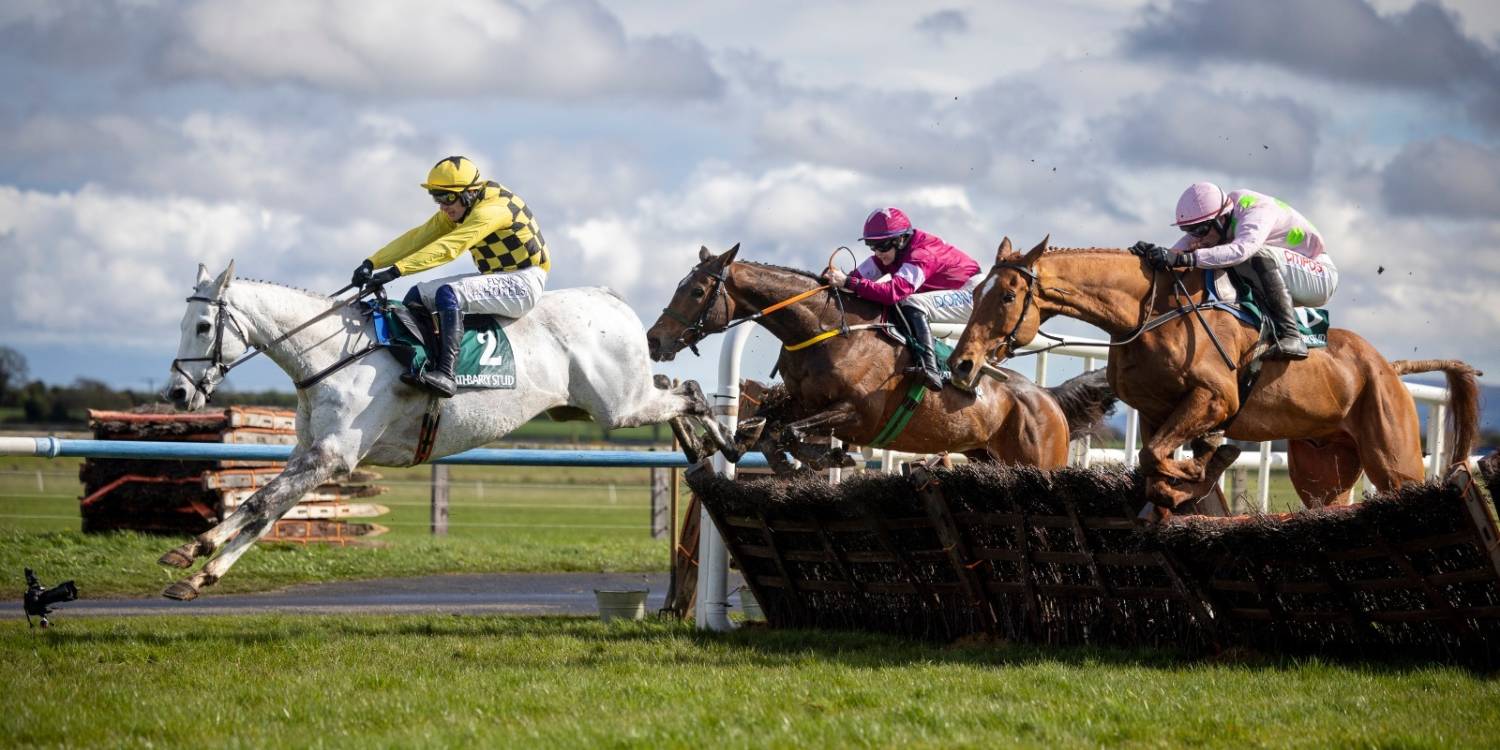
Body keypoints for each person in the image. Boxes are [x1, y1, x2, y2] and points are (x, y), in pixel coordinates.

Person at [351, 156, 550, 396]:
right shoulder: (464, 205)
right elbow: (418, 237)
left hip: (524, 282)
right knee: (417, 296)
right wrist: (372, 262)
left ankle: (447, 374)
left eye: (447, 197)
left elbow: (449, 248)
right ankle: (426, 364)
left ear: (470, 192)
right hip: (499, 278)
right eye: (437, 196)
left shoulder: (491, 210)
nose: (443, 205)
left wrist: (396, 271)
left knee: (448, 294)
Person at [1133, 182, 1338, 361]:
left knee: (1253, 255)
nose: (1196, 237)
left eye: (1200, 230)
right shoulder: (1216, 220)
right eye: (1189, 231)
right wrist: (1155, 255)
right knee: (1215, 257)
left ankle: (1291, 336)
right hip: (1289, 271)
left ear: (1220, 219)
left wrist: (1187, 257)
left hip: (1320, 274)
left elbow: (1242, 250)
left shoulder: (1256, 211)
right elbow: (1178, 252)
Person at [822, 207, 981, 391]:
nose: (877, 252)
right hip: (954, 294)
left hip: (975, 296)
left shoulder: (921, 253)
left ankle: (930, 368)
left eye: (882, 246)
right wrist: (832, 280)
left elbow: (892, 293)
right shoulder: (891, 252)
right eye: (872, 246)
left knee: (908, 301)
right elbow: (854, 280)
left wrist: (849, 282)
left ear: (900, 239)